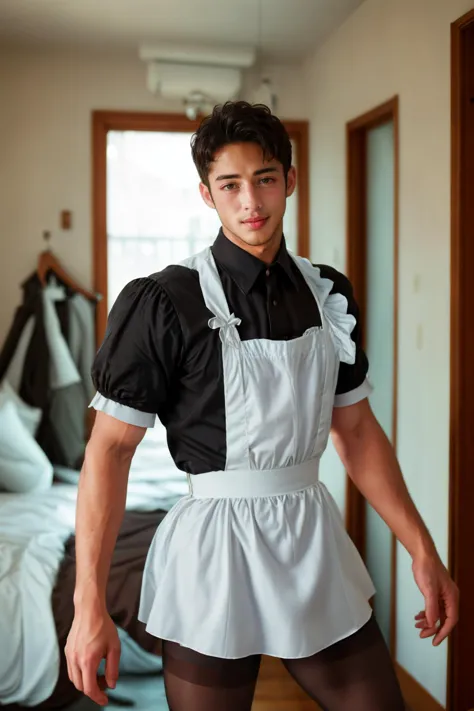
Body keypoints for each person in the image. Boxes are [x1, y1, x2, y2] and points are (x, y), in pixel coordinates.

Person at [65, 101, 459, 711]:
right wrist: (88, 601)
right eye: (230, 184)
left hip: (311, 537)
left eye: (265, 178)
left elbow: (354, 430)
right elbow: (110, 452)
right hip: (213, 554)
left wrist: (423, 549)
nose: (251, 200)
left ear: (290, 181)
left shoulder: (327, 295)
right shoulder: (164, 301)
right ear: (208, 194)